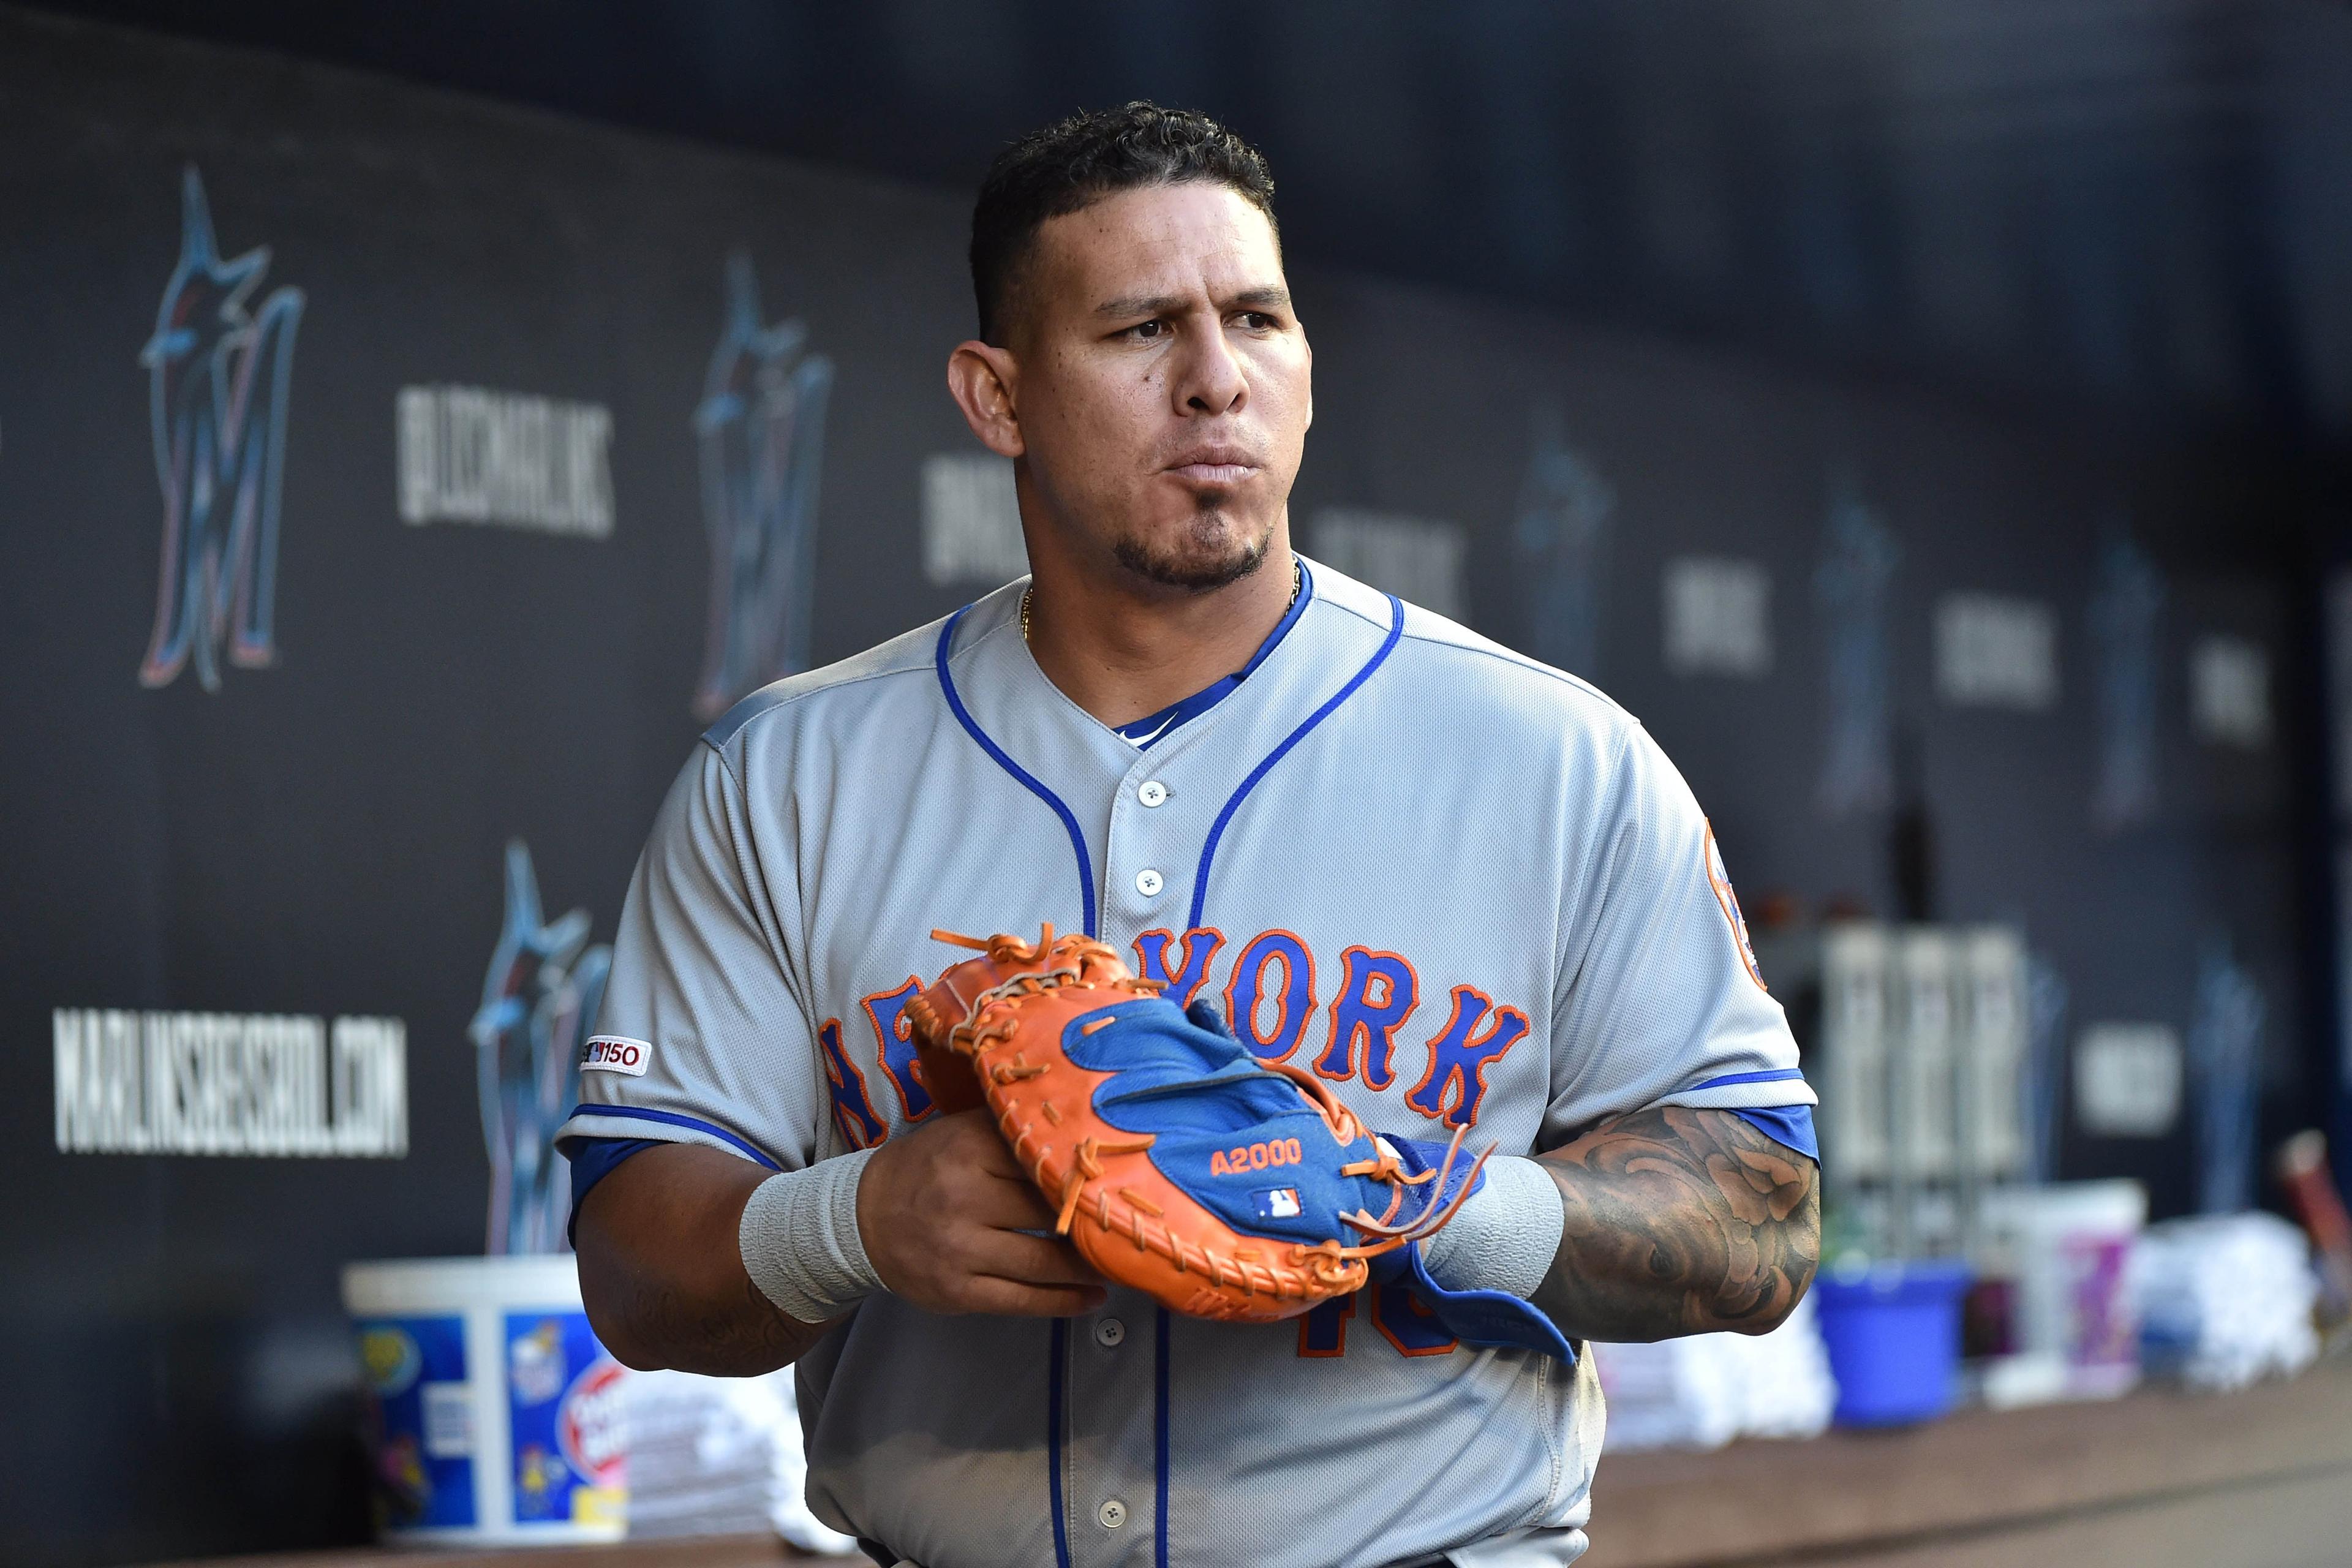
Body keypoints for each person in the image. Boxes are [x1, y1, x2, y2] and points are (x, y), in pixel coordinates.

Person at [563, 101, 1819, 1568]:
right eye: (1139, 330)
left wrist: (1411, 1202)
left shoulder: (1557, 758)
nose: (1215, 380)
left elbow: (1764, 1212)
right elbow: (634, 1261)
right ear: (997, 396)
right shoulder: (783, 776)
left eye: (1259, 319)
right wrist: (854, 1220)